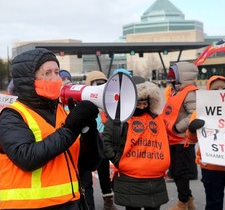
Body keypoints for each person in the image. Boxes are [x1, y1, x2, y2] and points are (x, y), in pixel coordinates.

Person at [0, 48, 103, 209]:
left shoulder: (62, 112)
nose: (55, 78)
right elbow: (27, 158)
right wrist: (71, 129)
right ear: (29, 79)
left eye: (57, 72)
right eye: (47, 73)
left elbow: (89, 164)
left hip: (70, 203)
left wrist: (89, 131)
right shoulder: (12, 116)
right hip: (29, 206)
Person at [103, 76, 170, 210]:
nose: (142, 106)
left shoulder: (157, 119)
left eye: (145, 103)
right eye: (138, 104)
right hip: (131, 179)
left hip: (155, 181)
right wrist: (118, 161)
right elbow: (106, 142)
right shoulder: (120, 118)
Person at [187, 75, 225, 210]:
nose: (220, 91)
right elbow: (191, 139)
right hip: (211, 166)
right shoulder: (202, 110)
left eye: (224, 88)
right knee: (214, 204)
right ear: (209, 92)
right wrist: (192, 129)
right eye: (215, 89)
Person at [162, 61, 198, 210]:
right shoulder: (176, 91)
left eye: (173, 74)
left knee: (180, 172)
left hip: (183, 139)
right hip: (173, 138)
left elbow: (194, 114)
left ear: (181, 75)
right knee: (176, 171)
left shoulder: (190, 92)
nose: (170, 77)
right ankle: (188, 200)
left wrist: (177, 128)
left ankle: (183, 202)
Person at [79, 70, 118, 210]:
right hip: (88, 142)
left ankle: (108, 202)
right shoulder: (82, 104)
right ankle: (88, 204)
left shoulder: (107, 106)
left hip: (102, 142)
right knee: (86, 178)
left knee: (104, 173)